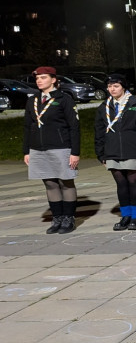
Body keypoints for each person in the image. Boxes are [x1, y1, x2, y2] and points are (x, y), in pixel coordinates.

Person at [23, 67, 80, 234]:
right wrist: (26, 150)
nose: (39, 81)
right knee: (49, 183)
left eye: (43, 77)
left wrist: (75, 152)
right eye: (37, 78)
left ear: (53, 79)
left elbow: (74, 127)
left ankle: (69, 218)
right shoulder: (32, 99)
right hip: (38, 149)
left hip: (61, 147)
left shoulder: (64, 99)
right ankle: (57, 218)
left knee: (65, 182)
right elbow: (27, 126)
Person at [95, 73, 136, 231]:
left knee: (133, 183)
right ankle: (125, 216)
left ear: (123, 87)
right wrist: (100, 153)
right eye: (109, 86)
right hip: (112, 151)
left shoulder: (135, 103)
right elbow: (99, 131)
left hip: (132, 150)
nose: (112, 89)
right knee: (121, 184)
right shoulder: (104, 106)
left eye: (116, 86)